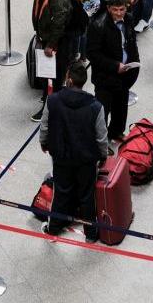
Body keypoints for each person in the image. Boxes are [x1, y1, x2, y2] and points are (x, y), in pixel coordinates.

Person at [39, 62, 105, 242]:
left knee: (61, 192)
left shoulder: (53, 101)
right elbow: (101, 137)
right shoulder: (96, 106)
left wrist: (44, 143)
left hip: (61, 156)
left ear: (69, 79)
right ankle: (91, 235)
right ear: (84, 81)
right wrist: (103, 155)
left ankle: (54, 228)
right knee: (87, 196)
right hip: (86, 160)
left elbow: (44, 126)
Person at [87, 0, 141, 146]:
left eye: (122, 9)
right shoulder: (98, 25)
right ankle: (101, 143)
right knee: (102, 112)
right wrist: (115, 66)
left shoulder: (129, 19)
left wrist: (135, 64)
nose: (119, 13)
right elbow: (92, 54)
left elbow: (131, 43)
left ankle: (116, 132)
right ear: (109, 9)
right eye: (115, 9)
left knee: (120, 107)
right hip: (105, 77)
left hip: (125, 75)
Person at [31, 0, 74, 120]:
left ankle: (48, 110)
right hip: (46, 40)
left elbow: (59, 22)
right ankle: (47, 98)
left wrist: (50, 44)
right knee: (46, 76)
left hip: (56, 45)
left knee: (53, 79)